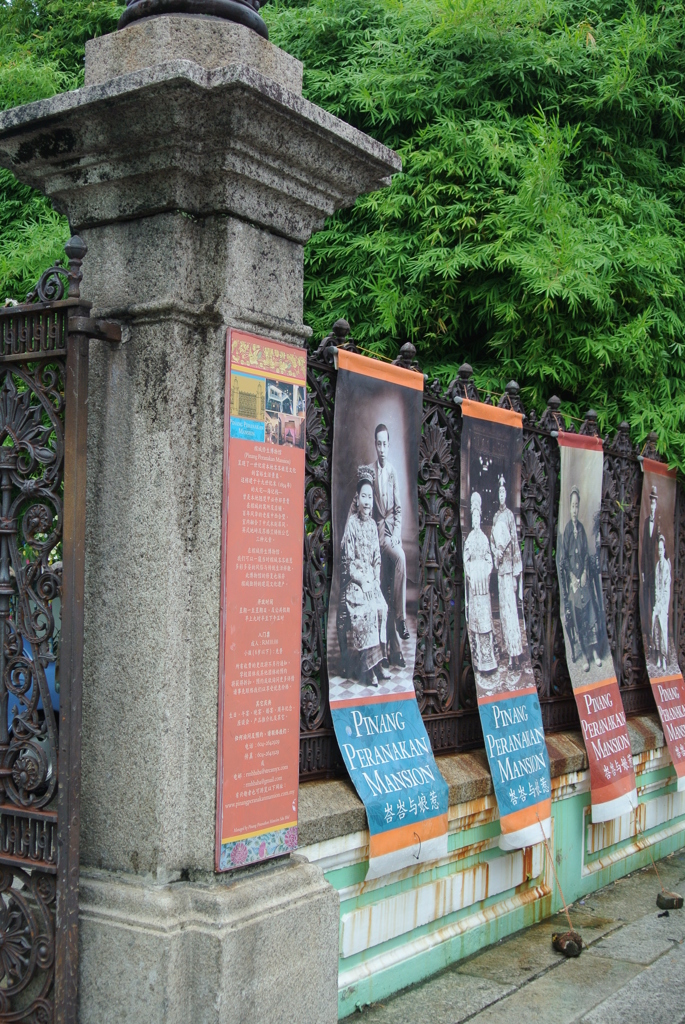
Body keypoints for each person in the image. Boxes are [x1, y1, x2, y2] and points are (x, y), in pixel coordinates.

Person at [340, 466, 389, 687]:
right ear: (357, 499)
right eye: (364, 497)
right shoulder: (351, 524)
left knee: (382, 608)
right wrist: (362, 581)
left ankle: (377, 662)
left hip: (371, 580)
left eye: (370, 497)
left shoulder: (372, 526)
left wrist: (376, 580)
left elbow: (377, 559)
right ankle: (367, 669)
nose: (367, 502)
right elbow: (349, 563)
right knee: (367, 610)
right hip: (356, 582)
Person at [372, 423, 409, 667]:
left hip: (390, 536)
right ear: (375, 445)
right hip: (377, 537)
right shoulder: (370, 472)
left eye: (386, 443)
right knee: (382, 591)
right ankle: (386, 651)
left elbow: (398, 508)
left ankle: (393, 648)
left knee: (400, 561)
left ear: (389, 444)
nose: (383, 448)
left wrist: (397, 533)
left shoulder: (393, 472)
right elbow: (360, 504)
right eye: (379, 444)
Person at [561, 487, 602, 672]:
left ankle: (594, 651)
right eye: (573, 506)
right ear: (569, 508)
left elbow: (585, 554)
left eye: (577, 506)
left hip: (583, 578)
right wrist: (572, 577)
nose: (575, 510)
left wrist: (585, 572)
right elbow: (565, 560)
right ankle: (585, 654)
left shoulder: (582, 529)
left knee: (591, 607)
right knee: (577, 610)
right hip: (573, 581)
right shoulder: (568, 530)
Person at [490, 477, 523, 670]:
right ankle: (506, 649)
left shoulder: (510, 516)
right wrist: (496, 552)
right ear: (497, 495)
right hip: (501, 569)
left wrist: (515, 576)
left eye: (504, 492)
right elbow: (494, 542)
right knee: (503, 610)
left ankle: (515, 655)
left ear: (506, 495)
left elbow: (515, 543)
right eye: (499, 493)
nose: (501, 495)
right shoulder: (495, 517)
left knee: (511, 612)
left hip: (509, 569)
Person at [463, 491, 497, 673]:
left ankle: (489, 657)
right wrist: (472, 573)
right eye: (473, 517)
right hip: (475, 585)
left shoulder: (484, 538)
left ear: (480, 518)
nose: (476, 520)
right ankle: (477, 658)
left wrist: (484, 571)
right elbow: (466, 559)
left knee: (485, 622)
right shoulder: (469, 539)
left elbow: (489, 560)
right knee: (476, 623)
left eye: (478, 517)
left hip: (483, 584)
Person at [641, 484, 659, 658]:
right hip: (648, 571)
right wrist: (643, 570)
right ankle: (649, 639)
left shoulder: (659, 523)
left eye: (654, 503)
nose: (652, 506)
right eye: (651, 502)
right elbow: (644, 547)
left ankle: (656, 639)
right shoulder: (647, 522)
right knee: (647, 603)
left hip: (657, 572)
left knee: (655, 605)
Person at [652, 533, 671, 672]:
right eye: (658, 550)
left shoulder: (666, 566)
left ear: (664, 550)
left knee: (663, 629)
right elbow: (656, 587)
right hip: (658, 602)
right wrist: (656, 602)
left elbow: (666, 588)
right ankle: (658, 655)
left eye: (661, 549)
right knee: (655, 628)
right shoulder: (657, 565)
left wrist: (662, 604)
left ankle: (664, 658)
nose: (660, 552)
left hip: (664, 604)